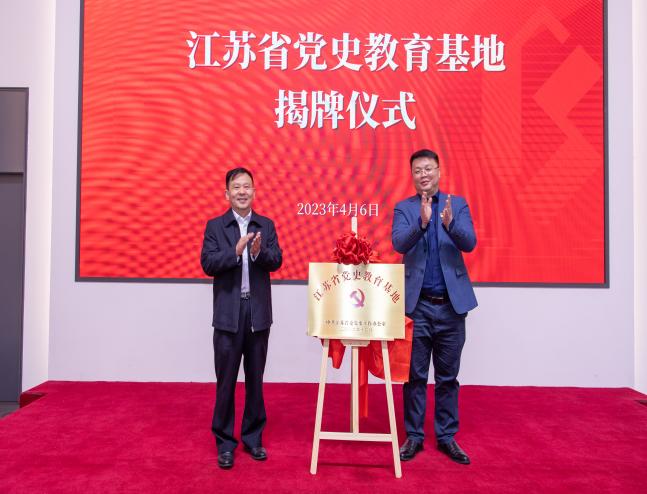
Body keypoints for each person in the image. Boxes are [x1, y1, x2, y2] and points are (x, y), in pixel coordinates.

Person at [392, 149, 477, 465]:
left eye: (428, 168)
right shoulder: (404, 208)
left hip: (451, 308)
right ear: (412, 175)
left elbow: (470, 243)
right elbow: (399, 243)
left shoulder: (457, 204)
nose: (423, 174)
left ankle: (446, 437)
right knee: (413, 376)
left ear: (439, 171)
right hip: (417, 308)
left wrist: (451, 224)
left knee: (447, 377)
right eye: (417, 170)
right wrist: (422, 222)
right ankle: (414, 436)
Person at [200, 167, 282, 469]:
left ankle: (253, 438)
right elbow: (207, 263)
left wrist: (259, 253)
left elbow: (277, 260)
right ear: (227, 194)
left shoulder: (266, 225)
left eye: (247, 186)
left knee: (255, 380)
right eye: (236, 187)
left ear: (254, 192)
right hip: (228, 315)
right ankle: (225, 443)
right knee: (226, 382)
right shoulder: (215, 226)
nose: (242, 192)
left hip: (257, 313)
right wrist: (235, 252)